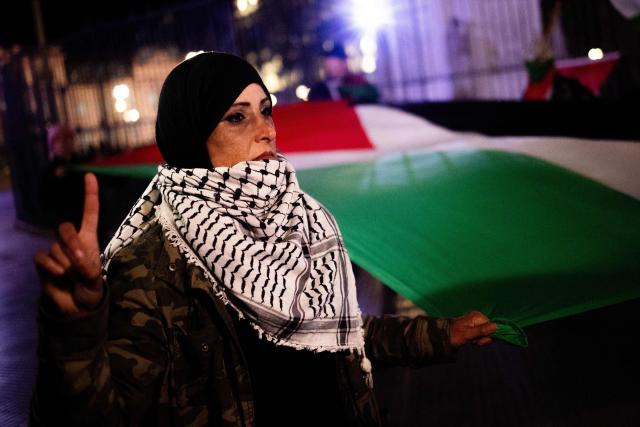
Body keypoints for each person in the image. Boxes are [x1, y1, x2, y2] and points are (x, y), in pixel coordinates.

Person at [31, 51, 497, 427]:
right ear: (193, 135)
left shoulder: (300, 219)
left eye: (266, 111)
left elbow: (335, 331)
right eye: (237, 117)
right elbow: (108, 414)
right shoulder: (150, 265)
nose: (267, 129)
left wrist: (440, 335)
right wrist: (76, 327)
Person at [308, 43, 380, 104]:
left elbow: (373, 95)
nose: (331, 67)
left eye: (336, 63)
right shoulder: (318, 89)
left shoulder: (357, 82)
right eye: (330, 64)